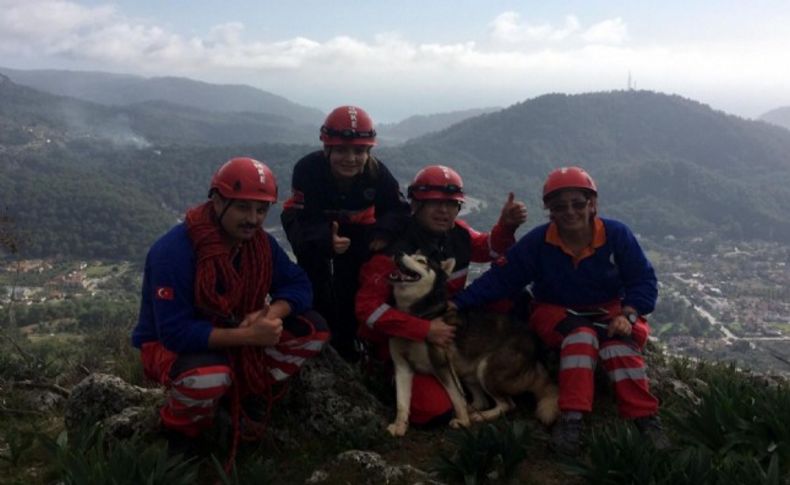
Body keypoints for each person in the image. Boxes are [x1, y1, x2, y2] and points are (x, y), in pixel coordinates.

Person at [451, 166, 670, 454]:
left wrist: (628, 315)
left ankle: (644, 418)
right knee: (580, 338)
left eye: (578, 203)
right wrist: (457, 305)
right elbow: (501, 279)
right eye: (559, 206)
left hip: (609, 310)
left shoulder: (616, 235)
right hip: (555, 311)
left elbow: (643, 281)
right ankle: (572, 418)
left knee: (619, 345)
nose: (570, 211)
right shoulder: (540, 242)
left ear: (592, 204)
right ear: (549, 211)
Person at [132, 157, 329, 455]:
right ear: (217, 201)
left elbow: (299, 285)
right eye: (243, 207)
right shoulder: (173, 251)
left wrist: (270, 313)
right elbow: (174, 333)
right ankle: (180, 432)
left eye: (261, 209)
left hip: (235, 331)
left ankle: (247, 390)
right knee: (207, 375)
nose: (253, 218)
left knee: (314, 329)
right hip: (167, 345)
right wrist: (249, 337)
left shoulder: (259, 245)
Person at [355, 164, 529, 426]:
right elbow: (367, 309)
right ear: (415, 205)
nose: (444, 210)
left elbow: (488, 249)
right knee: (432, 411)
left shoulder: (457, 235)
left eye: (451, 203)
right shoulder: (395, 250)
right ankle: (390, 375)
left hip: (447, 330)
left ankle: (511, 368)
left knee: (512, 296)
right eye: (434, 203)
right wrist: (423, 329)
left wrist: (506, 227)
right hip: (403, 341)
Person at [281, 105, 409, 362]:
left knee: (352, 275)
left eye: (359, 151)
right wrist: (325, 239)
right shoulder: (308, 170)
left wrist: (382, 233)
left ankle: (349, 336)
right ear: (327, 148)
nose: (350, 158)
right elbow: (305, 218)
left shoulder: (376, 173)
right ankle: (316, 320)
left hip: (354, 227)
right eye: (341, 150)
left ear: (368, 151)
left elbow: (397, 209)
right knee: (313, 264)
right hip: (312, 226)